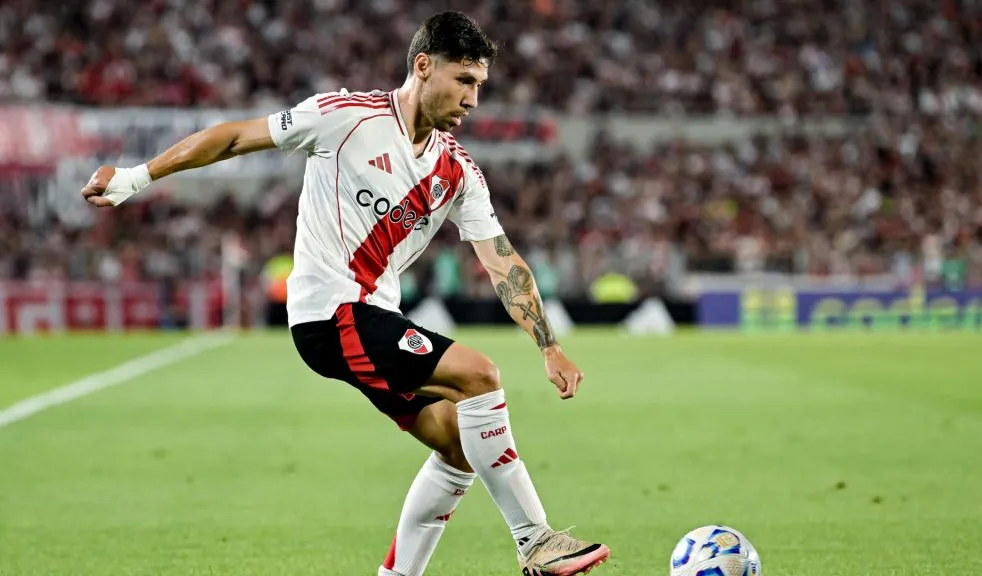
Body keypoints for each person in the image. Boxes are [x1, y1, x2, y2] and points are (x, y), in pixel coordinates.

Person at [80, 10, 610, 576]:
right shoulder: (345, 117)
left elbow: (502, 262)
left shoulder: (458, 172)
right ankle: (535, 541)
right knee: (479, 375)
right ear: (423, 66)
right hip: (329, 315)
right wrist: (135, 178)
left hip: (369, 317)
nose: (473, 99)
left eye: (479, 85)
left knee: (459, 445)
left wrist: (548, 345)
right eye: (463, 80)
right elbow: (234, 136)